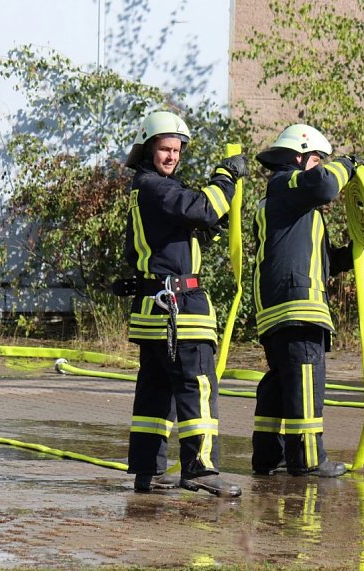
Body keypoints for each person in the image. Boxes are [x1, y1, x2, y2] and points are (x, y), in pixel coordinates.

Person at [121, 110, 246, 497]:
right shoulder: (157, 188)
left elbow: (173, 232)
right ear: (148, 150)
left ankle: (149, 470)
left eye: (176, 150)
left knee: (155, 391)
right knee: (197, 387)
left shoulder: (143, 190)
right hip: (179, 307)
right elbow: (202, 207)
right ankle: (200, 469)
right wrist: (224, 178)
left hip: (154, 307)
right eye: (164, 149)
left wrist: (198, 232)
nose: (172, 156)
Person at [250, 124, 359, 477]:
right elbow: (325, 185)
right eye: (319, 160)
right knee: (306, 382)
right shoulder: (286, 182)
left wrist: (356, 252)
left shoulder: (285, 207)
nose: (323, 167)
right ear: (300, 157)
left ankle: (269, 456)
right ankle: (309, 460)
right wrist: (348, 165)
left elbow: (320, 260)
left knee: (282, 384)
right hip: (299, 308)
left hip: (278, 310)